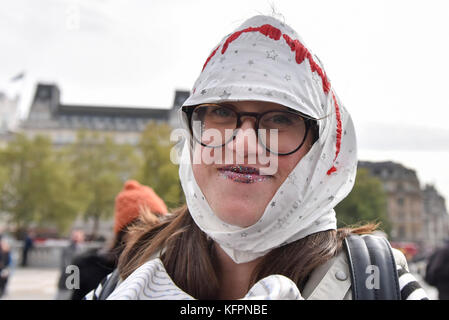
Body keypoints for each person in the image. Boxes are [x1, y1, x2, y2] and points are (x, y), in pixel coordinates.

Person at [87, 14, 428, 300]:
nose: (243, 144)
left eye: (280, 119)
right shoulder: (123, 280)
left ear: (320, 153)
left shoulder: (382, 285)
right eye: (221, 111)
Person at [69, 180, 168, 300]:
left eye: (159, 225)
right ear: (124, 233)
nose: (154, 234)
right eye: (143, 225)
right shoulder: (89, 269)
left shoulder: (170, 265)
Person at [55, 229, 85, 299]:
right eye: (75, 236)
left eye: (78, 236)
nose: (76, 238)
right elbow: (66, 266)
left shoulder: (82, 249)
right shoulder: (67, 249)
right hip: (67, 283)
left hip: (76, 284)